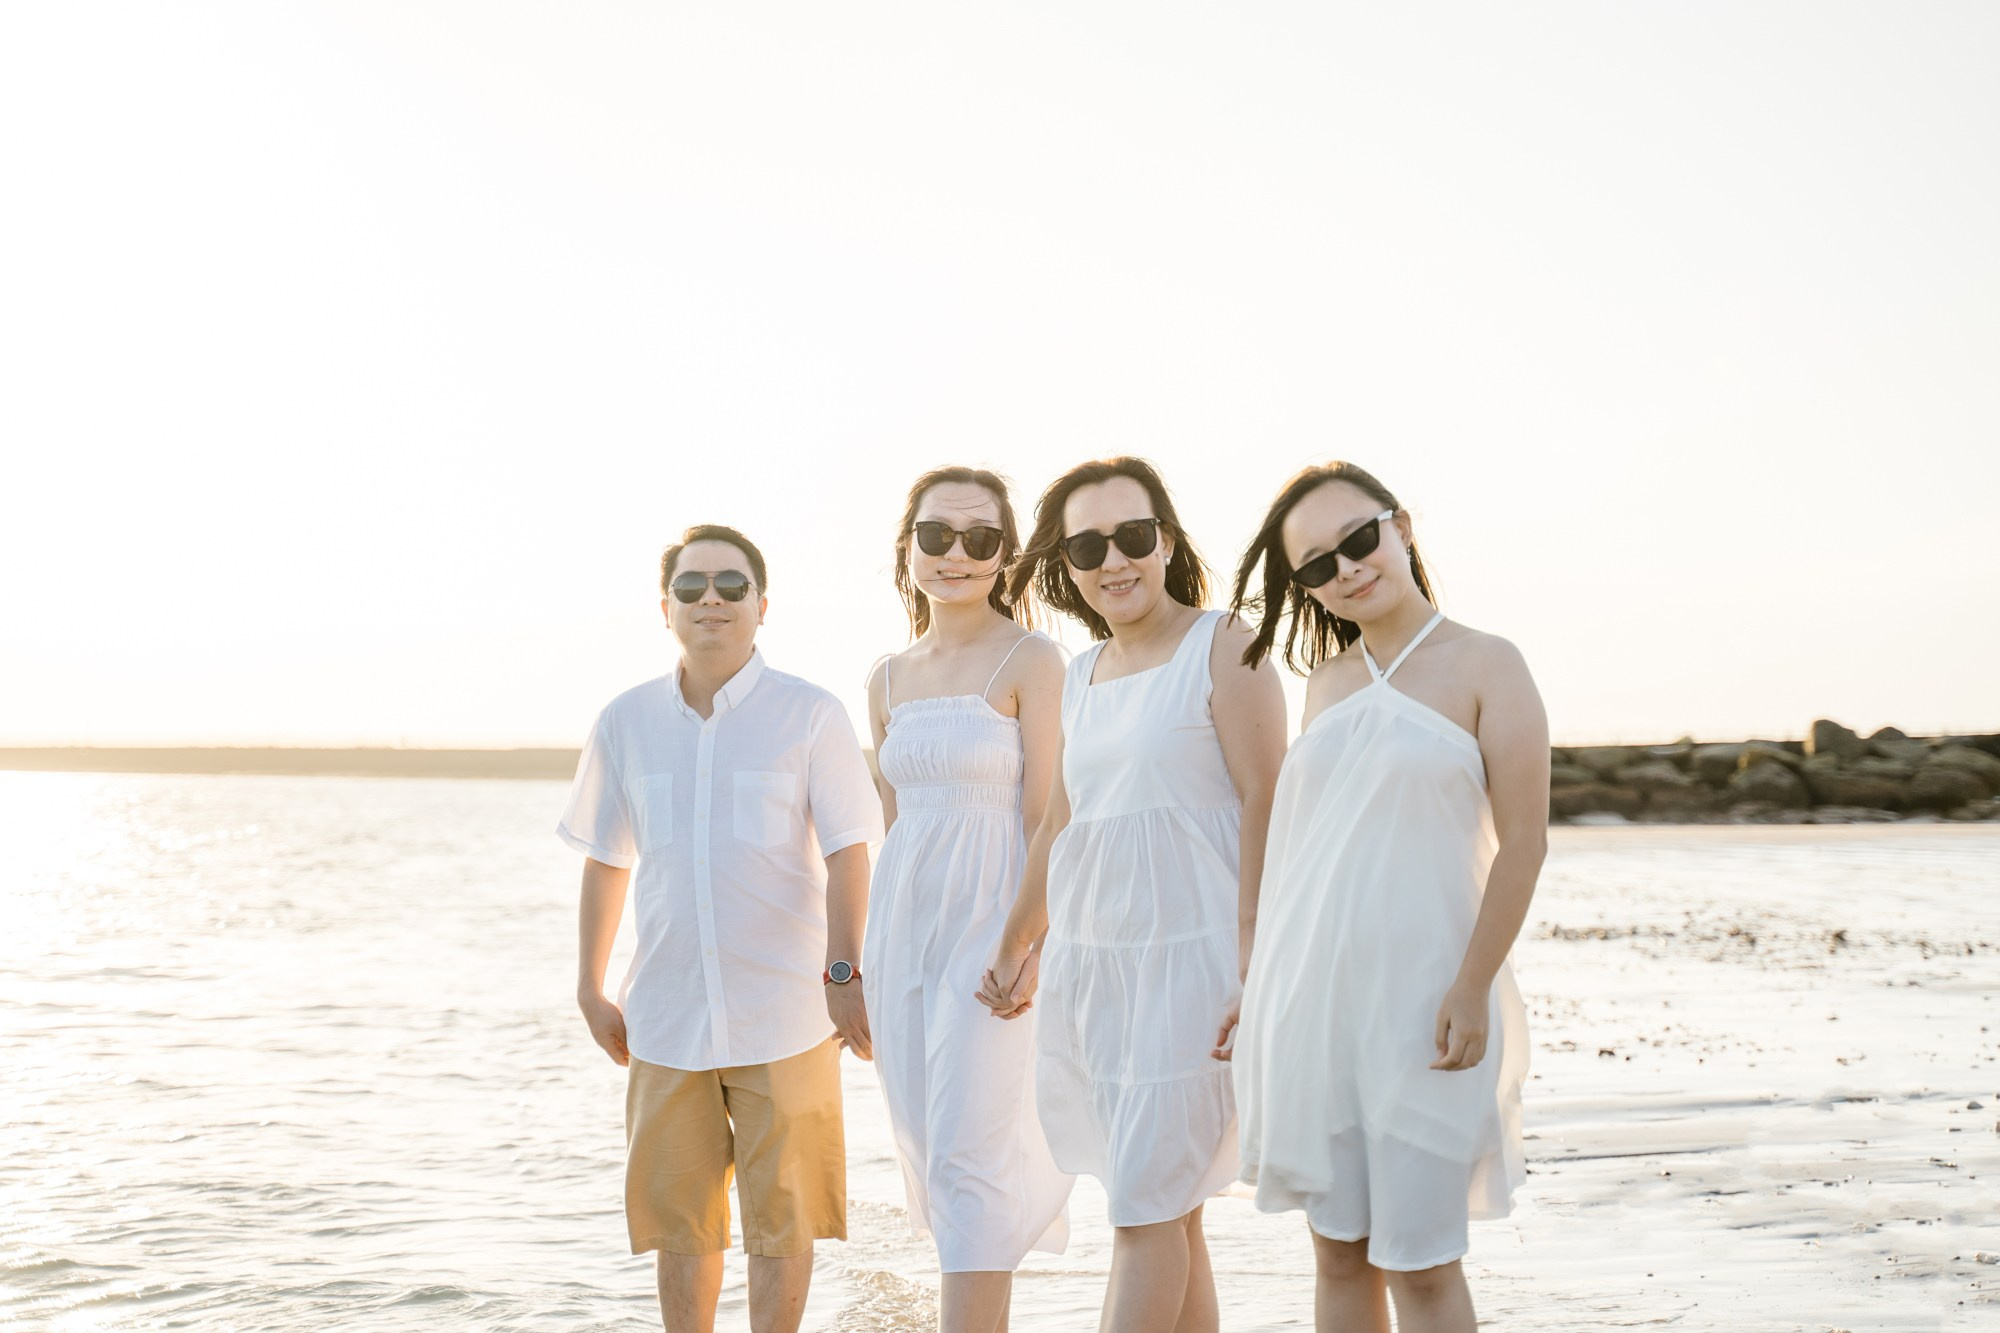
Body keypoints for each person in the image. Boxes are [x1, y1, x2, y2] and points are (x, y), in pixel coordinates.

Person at [1219, 463, 1548, 1333]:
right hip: (1314, 1007)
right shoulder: (1323, 682)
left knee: (1423, 1259)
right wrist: (1258, 991)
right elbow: (1298, 859)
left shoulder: (1488, 662)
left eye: (1359, 539)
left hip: (1429, 1001)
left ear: (1401, 526)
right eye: (1318, 565)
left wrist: (1472, 985)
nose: (1348, 569)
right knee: (1337, 1254)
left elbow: (1525, 842)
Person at [977, 457, 1286, 1333]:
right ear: (1063, 564)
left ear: (1168, 541)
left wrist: (1255, 963)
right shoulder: (1079, 674)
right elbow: (1060, 825)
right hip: (1100, 969)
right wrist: (1014, 945)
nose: (1114, 559)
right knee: (1167, 1204)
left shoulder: (1226, 642)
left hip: (1196, 969)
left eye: (1133, 535)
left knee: (1146, 1212)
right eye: (1087, 544)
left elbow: (1270, 798)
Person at [558, 524, 885, 1333]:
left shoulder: (811, 714)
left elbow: (851, 851)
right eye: (693, 585)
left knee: (788, 1219)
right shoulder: (625, 720)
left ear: (762, 605)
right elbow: (607, 859)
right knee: (682, 1223)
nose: (712, 599)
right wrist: (589, 988)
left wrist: (844, 974)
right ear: (664, 606)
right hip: (666, 1016)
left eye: (731, 586)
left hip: (789, 1013)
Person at [861, 466, 1074, 1333]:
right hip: (902, 939)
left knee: (970, 1154)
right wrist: (853, 966)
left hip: (996, 932)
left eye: (979, 538)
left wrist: (1033, 945)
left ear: (1004, 555)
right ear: (907, 544)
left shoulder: (1033, 658)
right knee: (929, 1152)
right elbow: (892, 827)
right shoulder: (884, 676)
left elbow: (1050, 816)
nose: (955, 553)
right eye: (936, 534)